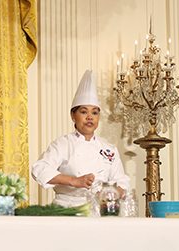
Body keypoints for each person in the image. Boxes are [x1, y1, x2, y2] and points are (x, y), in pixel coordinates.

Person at [31, 70, 130, 207]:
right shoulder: (63, 144)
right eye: (84, 112)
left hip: (100, 211)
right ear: (73, 115)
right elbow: (40, 169)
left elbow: (121, 181)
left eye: (94, 113)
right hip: (66, 210)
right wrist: (74, 180)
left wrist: (114, 194)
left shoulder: (109, 149)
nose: (90, 117)